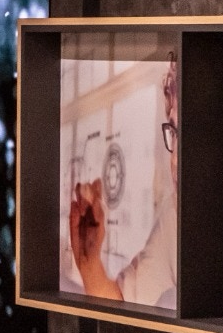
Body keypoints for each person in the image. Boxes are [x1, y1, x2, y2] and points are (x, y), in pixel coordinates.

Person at [68, 54, 179, 306]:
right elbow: (123, 304)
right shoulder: (175, 215)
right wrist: (89, 262)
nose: (175, 161)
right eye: (174, 133)